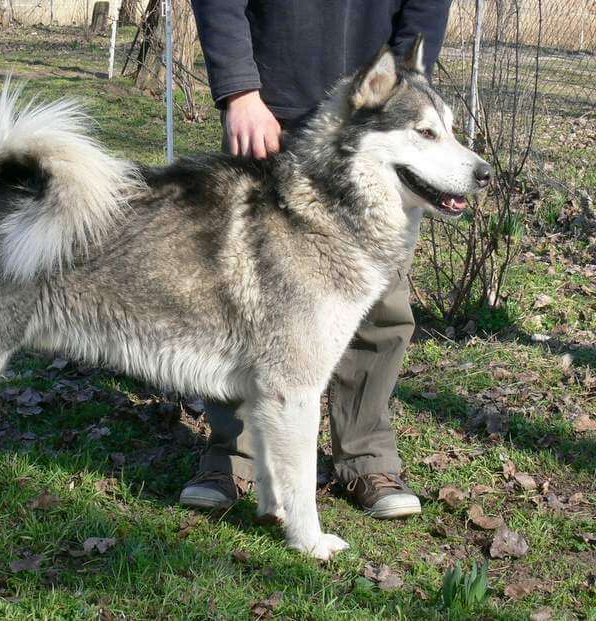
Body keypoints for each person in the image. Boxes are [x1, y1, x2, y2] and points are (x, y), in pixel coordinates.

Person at [180, 0, 452, 519]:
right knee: (244, 300)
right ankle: (237, 456)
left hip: (380, 119)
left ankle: (366, 456)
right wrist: (239, 89)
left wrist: (402, 95)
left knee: (380, 306)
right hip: (270, 111)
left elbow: (425, 8)